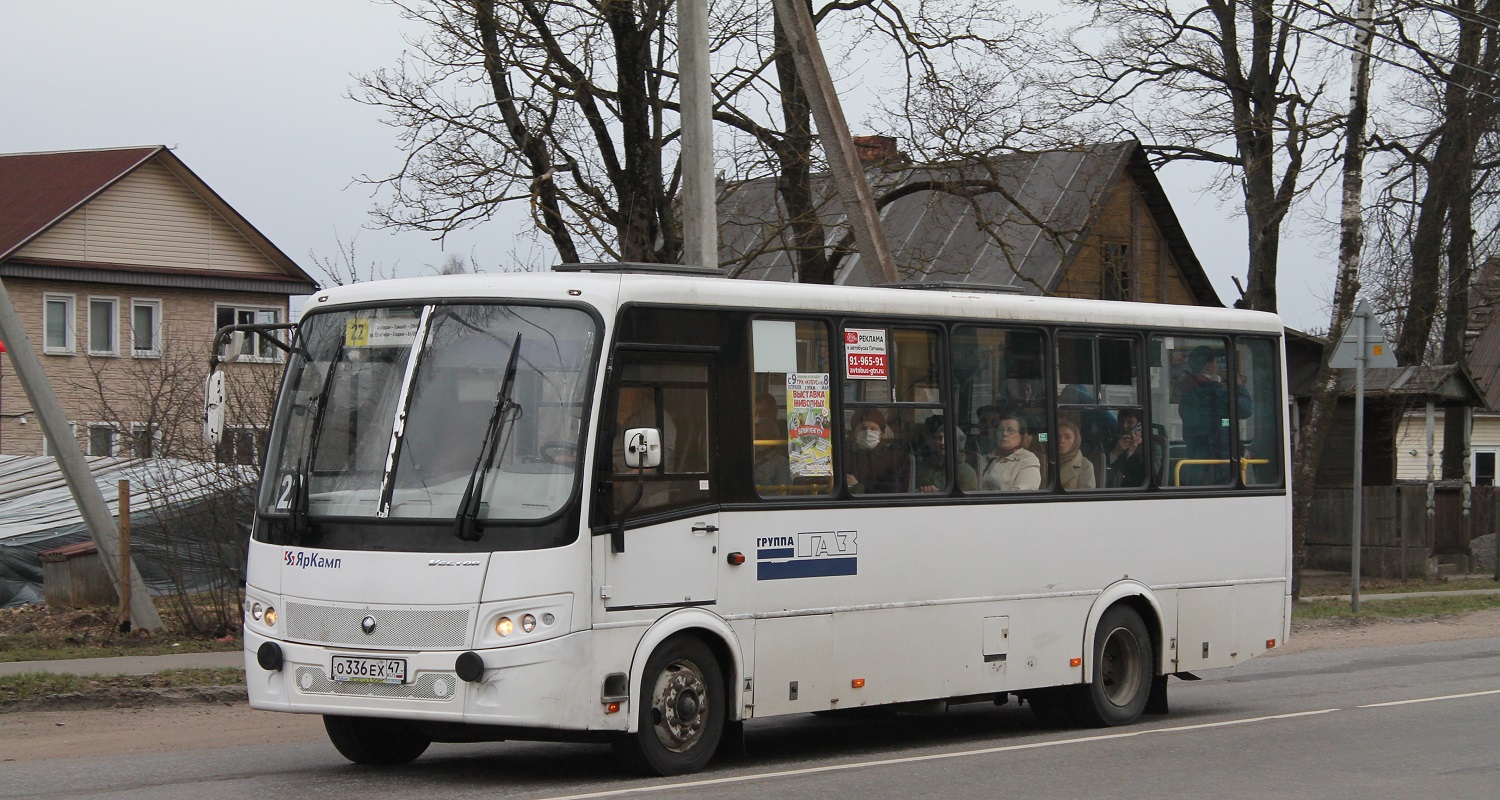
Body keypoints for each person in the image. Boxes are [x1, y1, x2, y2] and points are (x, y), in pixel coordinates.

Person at [1178, 346, 1252, 484]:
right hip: (1218, 464)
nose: (1217, 367)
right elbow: (1246, 408)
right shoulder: (1214, 392)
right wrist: (1239, 385)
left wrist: (1228, 422)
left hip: (1195, 461)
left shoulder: (1187, 392)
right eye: (1216, 363)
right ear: (1209, 365)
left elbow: (1221, 421)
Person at [846, 408, 909, 494]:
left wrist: (857, 487)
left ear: (881, 433)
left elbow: (890, 493)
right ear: (854, 433)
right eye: (863, 428)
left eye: (873, 429)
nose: (868, 433)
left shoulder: (892, 459)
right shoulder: (847, 455)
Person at [914, 415, 977, 492]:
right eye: (939, 438)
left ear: (958, 444)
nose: (942, 442)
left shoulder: (967, 472)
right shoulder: (924, 467)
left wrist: (939, 493)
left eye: (948, 438)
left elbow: (967, 502)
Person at [979, 414, 1041, 491]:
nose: (1004, 434)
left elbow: (1023, 495)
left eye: (1010, 430)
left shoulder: (1028, 460)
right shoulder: (984, 458)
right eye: (1000, 429)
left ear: (1021, 436)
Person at [1108, 410, 1146, 488]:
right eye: (1122, 422)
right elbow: (1106, 470)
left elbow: (1147, 476)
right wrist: (1115, 452)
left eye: (1130, 422)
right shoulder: (1114, 443)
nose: (1125, 426)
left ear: (1139, 425)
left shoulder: (1150, 447)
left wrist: (1130, 452)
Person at [1056, 418, 1096, 490]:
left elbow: (1087, 498)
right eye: (1058, 436)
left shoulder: (1085, 465)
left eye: (1067, 437)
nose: (1061, 440)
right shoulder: (1047, 460)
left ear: (1076, 439)